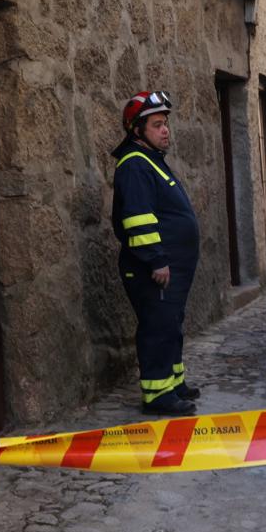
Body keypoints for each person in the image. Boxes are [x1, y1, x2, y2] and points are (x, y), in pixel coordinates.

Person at [111, 90, 201, 416]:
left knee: (171, 324)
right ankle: (157, 395)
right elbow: (137, 218)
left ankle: (173, 383)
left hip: (169, 267)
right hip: (153, 268)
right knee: (157, 326)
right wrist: (157, 259)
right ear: (138, 130)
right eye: (157, 125)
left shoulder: (151, 161)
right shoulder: (135, 165)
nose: (166, 130)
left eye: (166, 124)